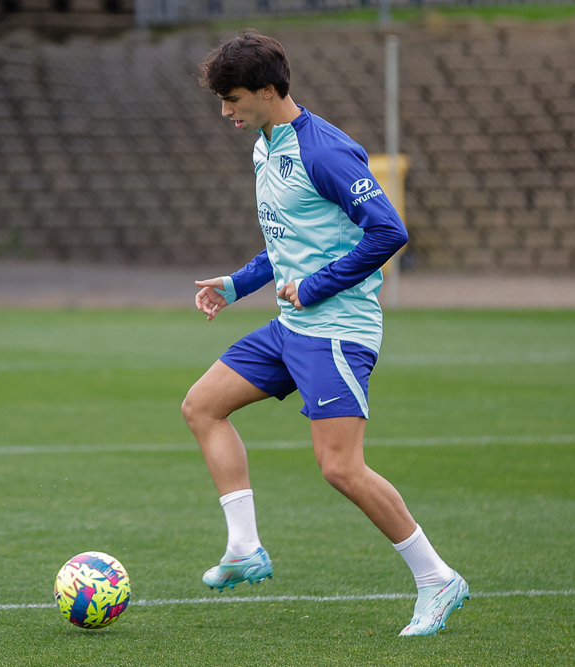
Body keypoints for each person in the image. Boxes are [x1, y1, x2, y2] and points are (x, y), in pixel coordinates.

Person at [182, 31, 468, 637]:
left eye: (232, 98)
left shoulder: (326, 151)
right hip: (292, 327)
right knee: (203, 406)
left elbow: (389, 231)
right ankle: (245, 549)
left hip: (336, 330)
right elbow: (289, 242)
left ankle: (437, 578)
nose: (224, 111)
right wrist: (236, 284)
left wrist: (314, 287)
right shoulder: (265, 145)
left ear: (267, 90)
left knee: (340, 468)